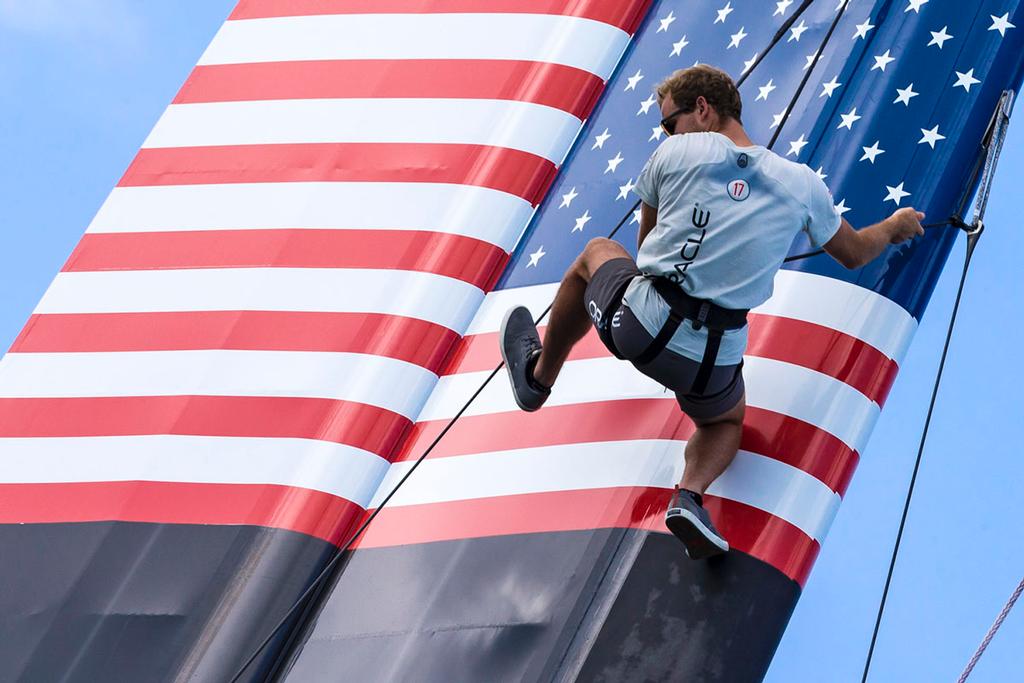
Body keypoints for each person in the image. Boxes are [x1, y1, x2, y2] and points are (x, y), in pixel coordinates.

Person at [499, 64, 925, 560]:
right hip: (711, 361)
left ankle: (537, 377)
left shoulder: (675, 153)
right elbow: (854, 253)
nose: (667, 132)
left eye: (669, 122)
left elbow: (644, 252)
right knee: (724, 424)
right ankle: (689, 497)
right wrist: (893, 227)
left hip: (643, 326)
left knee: (594, 253)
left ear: (702, 108)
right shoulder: (802, 185)